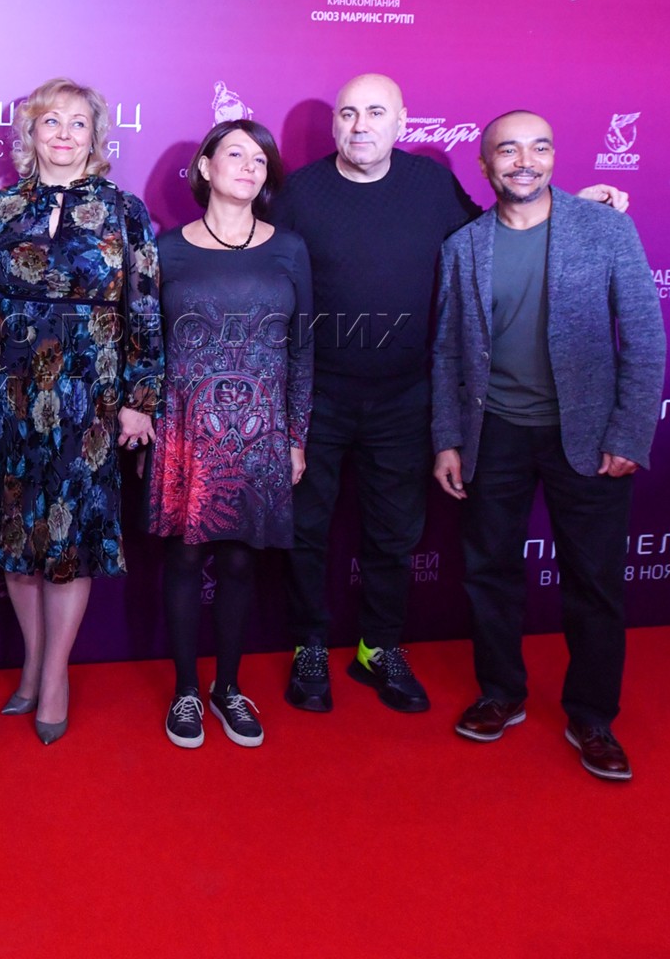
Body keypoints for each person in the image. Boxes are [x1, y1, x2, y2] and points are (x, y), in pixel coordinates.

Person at [268, 73, 627, 715]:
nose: (360, 125)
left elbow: (501, 229)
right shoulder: (300, 193)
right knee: (308, 528)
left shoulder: (431, 185)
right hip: (317, 396)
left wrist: (578, 207)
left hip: (406, 397)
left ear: (402, 121)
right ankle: (309, 646)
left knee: (394, 532)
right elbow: (260, 270)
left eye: (375, 112)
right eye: (347, 113)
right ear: (335, 124)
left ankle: (378, 647)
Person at [432, 111, 665, 781]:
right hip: (495, 432)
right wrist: (448, 439)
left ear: (555, 158)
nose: (524, 161)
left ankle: (592, 716)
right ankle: (501, 693)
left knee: (594, 582)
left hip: (587, 434)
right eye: (507, 151)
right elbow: (446, 351)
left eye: (538, 148)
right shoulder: (464, 247)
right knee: (490, 573)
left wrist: (629, 432)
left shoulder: (606, 229)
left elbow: (645, 336)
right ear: (485, 165)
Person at [0, 77, 163, 745]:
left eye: (77, 123)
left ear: (95, 136)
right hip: (8, 394)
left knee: (71, 540)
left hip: (92, 396)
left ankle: (55, 678)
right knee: (16, 535)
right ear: (30, 133)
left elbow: (145, 308)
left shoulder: (124, 211)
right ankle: (31, 667)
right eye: (50, 121)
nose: (62, 133)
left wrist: (140, 400)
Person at [150, 120, 311, 749]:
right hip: (188, 431)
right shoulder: (167, 249)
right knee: (186, 557)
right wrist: (148, 419)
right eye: (235, 154)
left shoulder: (289, 248)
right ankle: (186, 690)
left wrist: (295, 435)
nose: (248, 166)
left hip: (262, 431)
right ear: (205, 167)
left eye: (260, 159)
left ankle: (229, 688)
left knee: (242, 559)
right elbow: (147, 343)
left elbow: (303, 349)